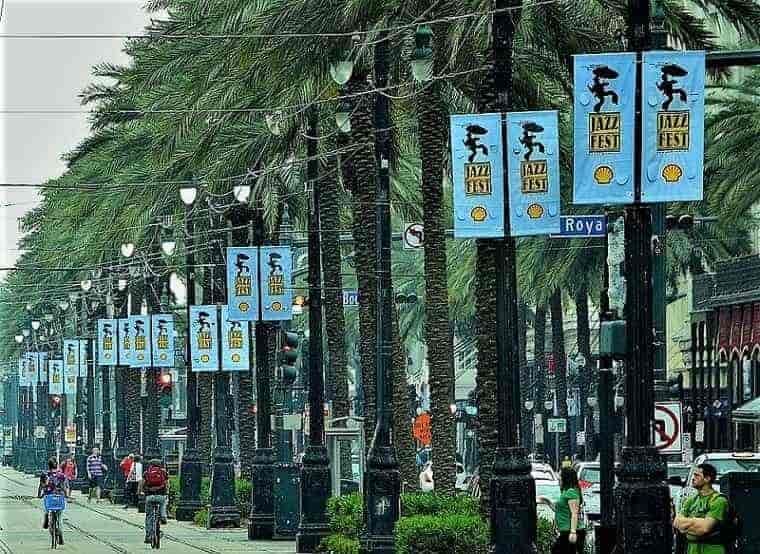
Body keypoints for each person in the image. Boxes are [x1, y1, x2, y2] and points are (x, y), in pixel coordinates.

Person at [674, 463, 729, 554]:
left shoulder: (719, 500)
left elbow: (704, 528)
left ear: (707, 479)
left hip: (712, 550)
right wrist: (696, 522)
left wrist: (686, 525)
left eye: (697, 475)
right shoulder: (691, 500)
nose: (693, 478)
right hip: (692, 549)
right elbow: (676, 522)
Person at [541, 467, 587, 553]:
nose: (558, 478)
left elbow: (574, 513)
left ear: (566, 478)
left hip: (571, 531)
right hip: (565, 531)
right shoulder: (565, 492)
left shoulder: (571, 492)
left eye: (560, 477)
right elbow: (560, 510)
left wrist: (573, 533)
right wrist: (547, 502)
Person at [138, 458, 169, 543]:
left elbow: (142, 484)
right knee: (163, 503)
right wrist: (167, 492)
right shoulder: (163, 472)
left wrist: (141, 492)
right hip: (161, 496)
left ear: (150, 465)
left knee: (149, 516)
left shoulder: (147, 473)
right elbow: (167, 484)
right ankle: (163, 516)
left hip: (150, 497)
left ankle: (148, 536)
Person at [38, 458, 66, 545]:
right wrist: (66, 494)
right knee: (60, 518)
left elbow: (41, 486)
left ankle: (46, 517)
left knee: (47, 507)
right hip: (59, 496)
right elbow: (64, 486)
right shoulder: (61, 475)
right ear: (57, 464)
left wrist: (39, 494)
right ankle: (60, 533)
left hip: (49, 496)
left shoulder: (45, 474)